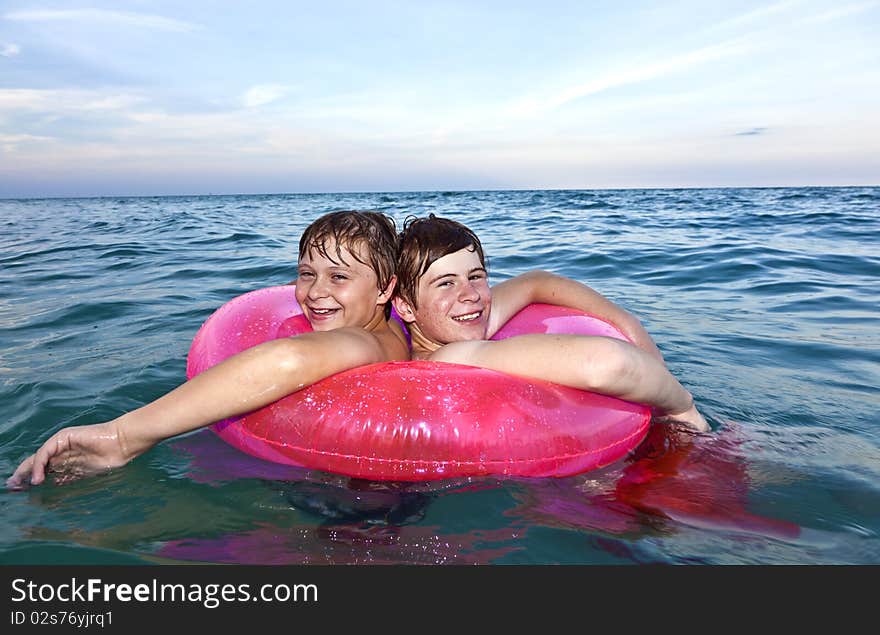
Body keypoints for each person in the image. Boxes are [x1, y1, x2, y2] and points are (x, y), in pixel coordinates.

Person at [7, 211, 409, 488]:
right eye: (307, 274)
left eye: (338, 277)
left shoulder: (363, 340)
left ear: (386, 288)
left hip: (357, 504)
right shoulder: (397, 327)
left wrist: (122, 435)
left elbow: (287, 359)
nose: (316, 292)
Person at [391, 214, 709, 431]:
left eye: (476, 276)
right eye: (446, 283)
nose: (470, 295)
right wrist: (682, 407)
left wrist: (625, 320)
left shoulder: (448, 323)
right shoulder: (449, 357)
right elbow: (608, 363)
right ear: (405, 306)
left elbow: (535, 281)